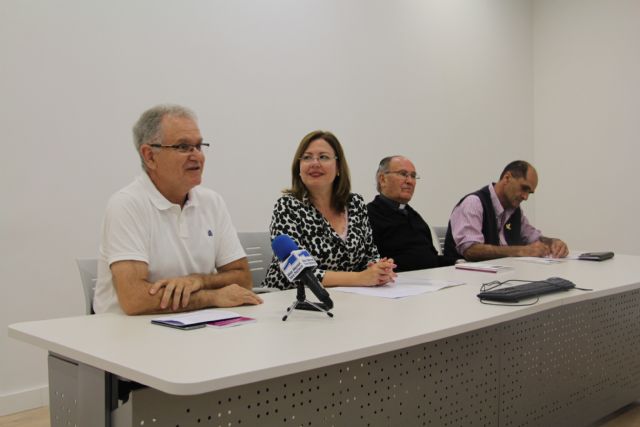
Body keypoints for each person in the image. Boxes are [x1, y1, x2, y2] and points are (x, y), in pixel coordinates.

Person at [93, 104, 263, 314]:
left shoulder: (212, 202)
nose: (197, 156)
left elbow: (243, 278)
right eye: (183, 147)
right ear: (149, 156)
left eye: (199, 146)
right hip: (125, 337)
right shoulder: (127, 204)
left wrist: (198, 281)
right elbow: (135, 299)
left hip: (195, 328)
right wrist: (213, 296)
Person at [262, 130, 396, 290]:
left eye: (323, 157)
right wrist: (360, 278)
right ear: (299, 167)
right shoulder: (288, 206)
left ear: (338, 166)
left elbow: (369, 255)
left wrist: (379, 269)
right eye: (307, 157)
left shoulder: (355, 203)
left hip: (348, 297)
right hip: (291, 301)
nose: (314, 163)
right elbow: (297, 272)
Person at [444, 160, 569, 261]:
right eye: (524, 188)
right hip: (466, 283)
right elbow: (471, 250)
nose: (525, 197)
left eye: (529, 192)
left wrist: (553, 242)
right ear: (507, 178)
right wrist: (521, 251)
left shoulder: (514, 211)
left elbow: (533, 237)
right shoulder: (473, 203)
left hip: (502, 280)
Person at [367, 156, 456, 272]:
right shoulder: (368, 216)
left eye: (413, 176)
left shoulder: (414, 216)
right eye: (403, 174)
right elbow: (370, 265)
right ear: (383, 179)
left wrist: (459, 262)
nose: (409, 181)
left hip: (430, 281)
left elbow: (431, 258)